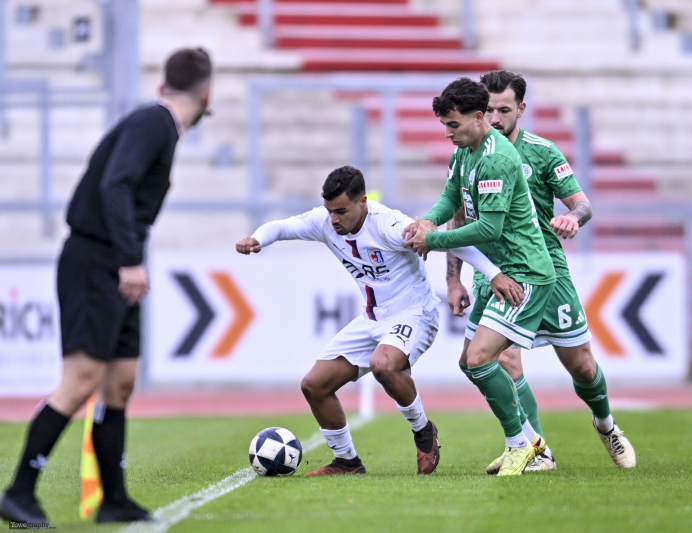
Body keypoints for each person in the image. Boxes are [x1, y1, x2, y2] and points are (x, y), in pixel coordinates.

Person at [0, 48, 213, 526]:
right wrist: (130, 260)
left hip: (113, 264)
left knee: (119, 383)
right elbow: (114, 184)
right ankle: (18, 492)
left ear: (164, 85)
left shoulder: (158, 126)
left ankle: (112, 500)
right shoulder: (155, 123)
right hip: (98, 261)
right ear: (207, 95)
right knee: (79, 383)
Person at [235, 165, 521, 476]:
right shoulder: (325, 222)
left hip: (415, 314)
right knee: (314, 385)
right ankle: (347, 461)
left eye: (341, 211)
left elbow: (449, 240)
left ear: (362, 202)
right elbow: (281, 226)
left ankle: (424, 431)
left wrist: (493, 274)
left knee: (383, 364)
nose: (333, 219)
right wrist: (258, 239)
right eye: (330, 211)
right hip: (371, 319)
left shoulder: (389, 225)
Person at [444, 70, 636, 472]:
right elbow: (459, 214)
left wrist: (573, 219)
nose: (495, 118)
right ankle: (535, 448)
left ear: (521, 109)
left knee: (581, 365)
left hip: (542, 268)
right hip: (493, 272)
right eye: (489, 110)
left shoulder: (542, 152)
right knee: (500, 360)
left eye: (504, 110)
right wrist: (453, 277)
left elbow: (582, 204)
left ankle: (606, 424)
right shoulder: (465, 151)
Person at [403, 78, 556, 476]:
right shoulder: (464, 152)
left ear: (477, 117)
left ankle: (525, 445)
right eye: (444, 126)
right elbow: (451, 198)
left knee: (481, 357)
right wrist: (427, 220)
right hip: (497, 274)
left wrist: (432, 240)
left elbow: (487, 227)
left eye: (453, 125)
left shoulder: (497, 158)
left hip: (526, 275)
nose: (448, 133)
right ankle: (522, 443)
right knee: (469, 364)